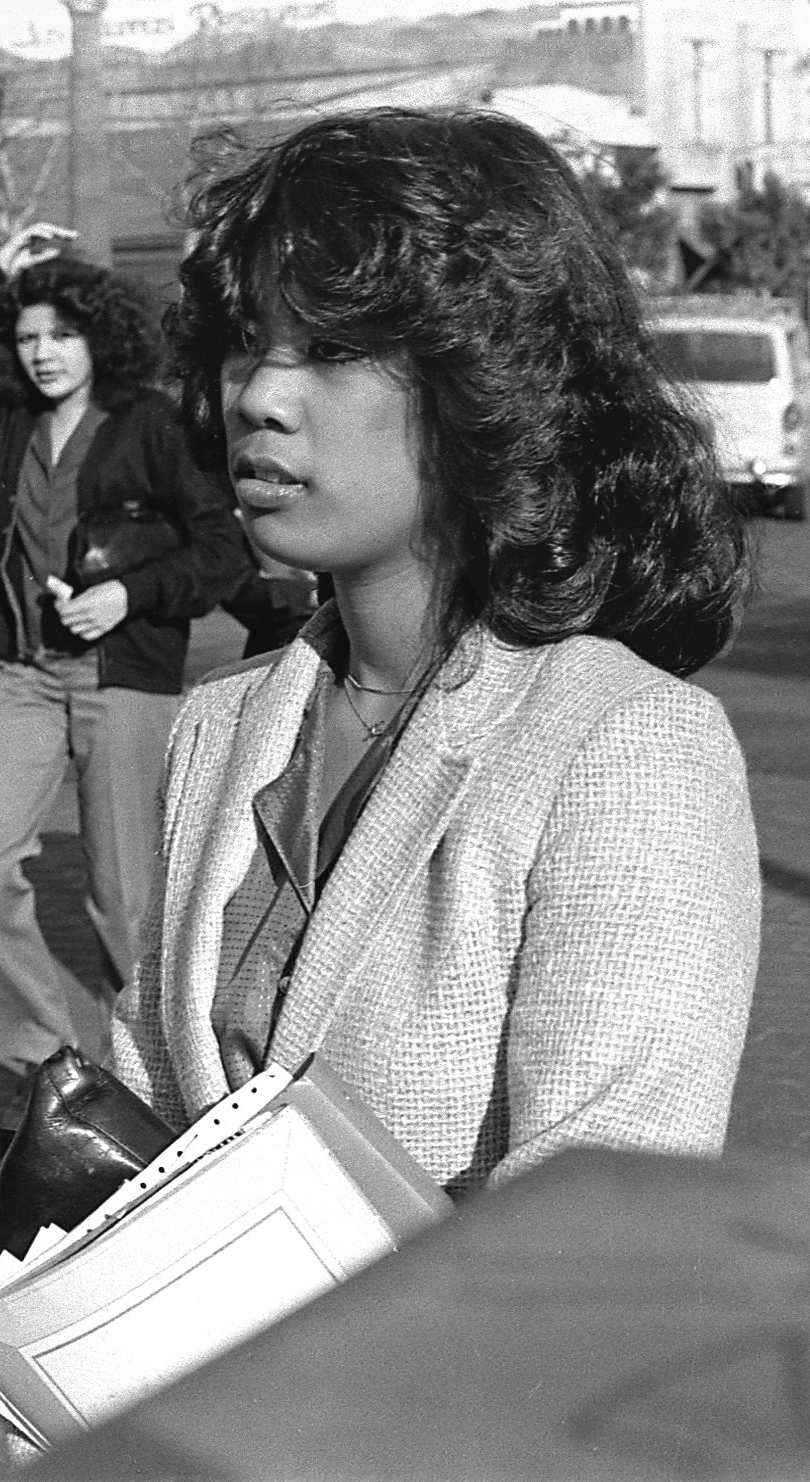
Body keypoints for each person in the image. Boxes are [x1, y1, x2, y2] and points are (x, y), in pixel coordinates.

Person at [108, 107, 760, 1192]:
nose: (258, 396)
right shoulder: (220, 724)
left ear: (486, 384)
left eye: (331, 348)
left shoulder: (622, 745)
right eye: (246, 341)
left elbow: (599, 1221)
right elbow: (147, 1099)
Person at [0, 225, 251, 1095]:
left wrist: (131, 593)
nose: (43, 353)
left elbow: (222, 550)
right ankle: (45, 1064)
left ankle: (167, 1077)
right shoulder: (2, 421)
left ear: (100, 338)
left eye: (63, 334)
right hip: (25, 677)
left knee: (126, 903)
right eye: (27, 336)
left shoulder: (149, 425)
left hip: (121, 682)